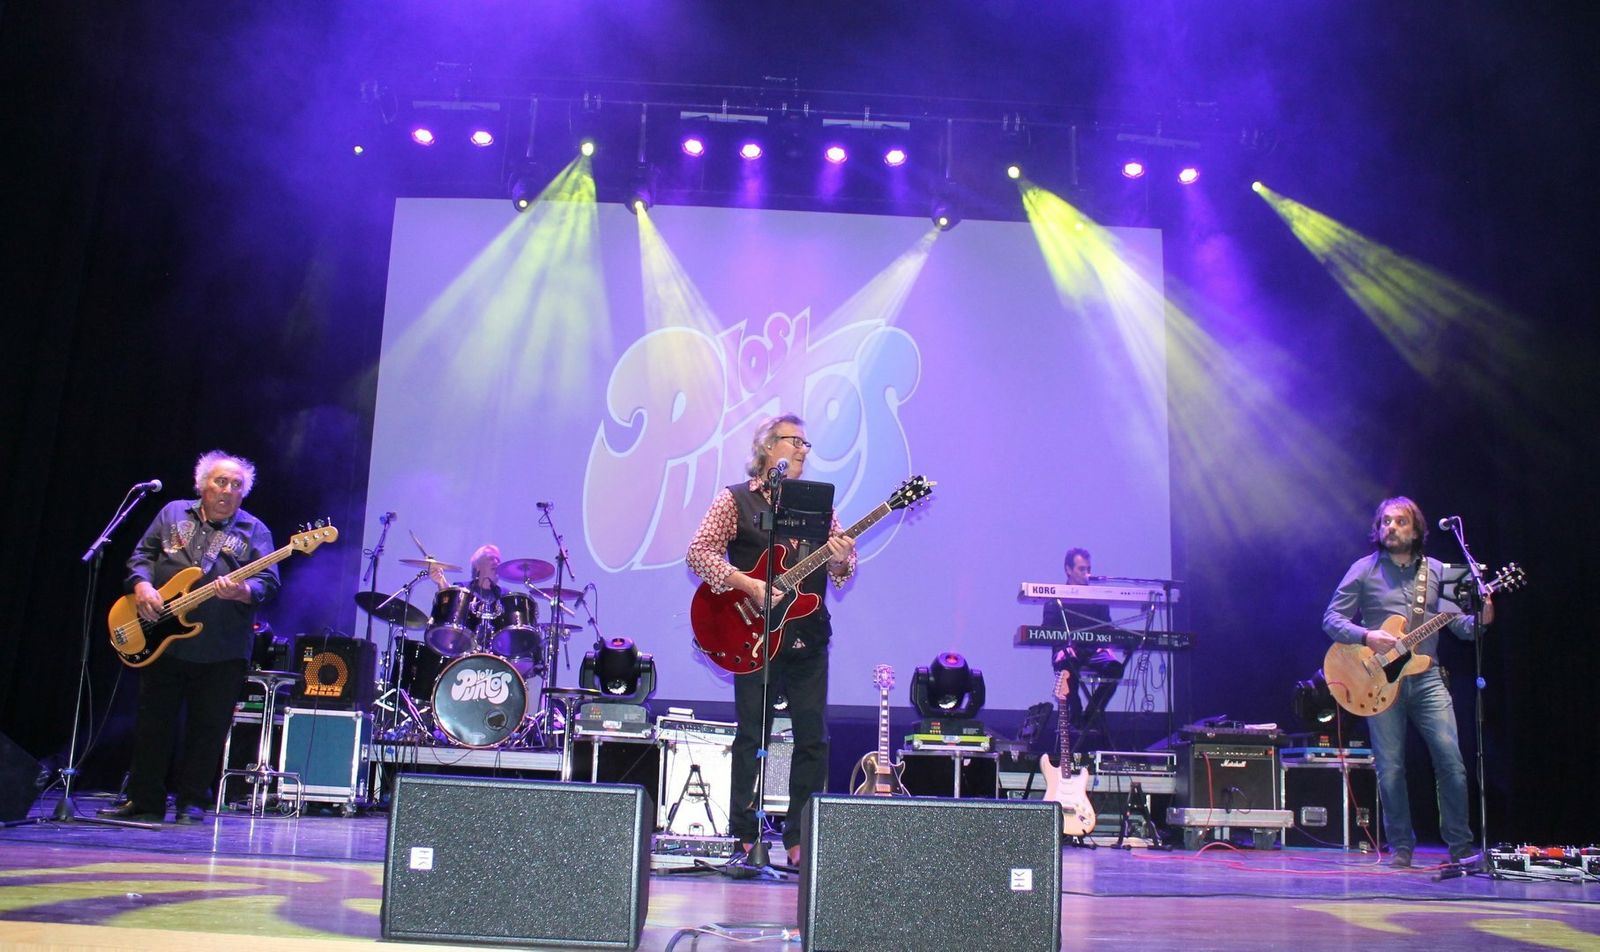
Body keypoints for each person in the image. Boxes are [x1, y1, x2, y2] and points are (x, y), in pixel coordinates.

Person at [686, 413, 856, 867]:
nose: (803, 449)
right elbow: (698, 552)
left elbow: (843, 572)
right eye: (794, 441)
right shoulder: (734, 500)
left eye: (806, 443)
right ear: (767, 448)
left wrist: (839, 562)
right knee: (751, 735)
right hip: (753, 635)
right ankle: (745, 834)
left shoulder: (820, 506)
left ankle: (799, 838)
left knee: (812, 738)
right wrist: (748, 585)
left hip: (807, 635)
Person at [101, 450, 280, 823]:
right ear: (202, 485)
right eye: (220, 481)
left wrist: (242, 591)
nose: (227, 490)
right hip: (161, 639)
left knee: (208, 727)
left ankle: (192, 802)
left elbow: (268, 582)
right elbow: (142, 556)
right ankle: (144, 801)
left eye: (236, 485)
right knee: (153, 725)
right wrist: (142, 587)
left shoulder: (254, 530)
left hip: (222, 646)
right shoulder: (171, 513)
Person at [1322, 496, 1492, 868]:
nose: (1391, 528)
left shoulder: (1440, 571)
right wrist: (1367, 637)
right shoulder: (1363, 570)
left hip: (1428, 677)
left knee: (1451, 760)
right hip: (1378, 681)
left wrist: (1485, 613)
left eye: (1399, 522)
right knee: (1391, 766)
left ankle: (1461, 847)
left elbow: (1464, 629)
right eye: (1385, 522)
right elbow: (1332, 619)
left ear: (1416, 530)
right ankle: (1401, 846)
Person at [1040, 547, 1122, 746]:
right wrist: (1062, 647)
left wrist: (1107, 646)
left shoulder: (1098, 599)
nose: (1087, 574)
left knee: (1115, 667)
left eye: (1089, 569)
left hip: (1094, 652)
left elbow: (1107, 628)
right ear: (1068, 570)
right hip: (1067, 653)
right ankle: (1076, 718)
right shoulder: (1055, 599)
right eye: (1082, 569)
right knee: (1069, 665)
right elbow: (1046, 631)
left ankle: (1091, 713)